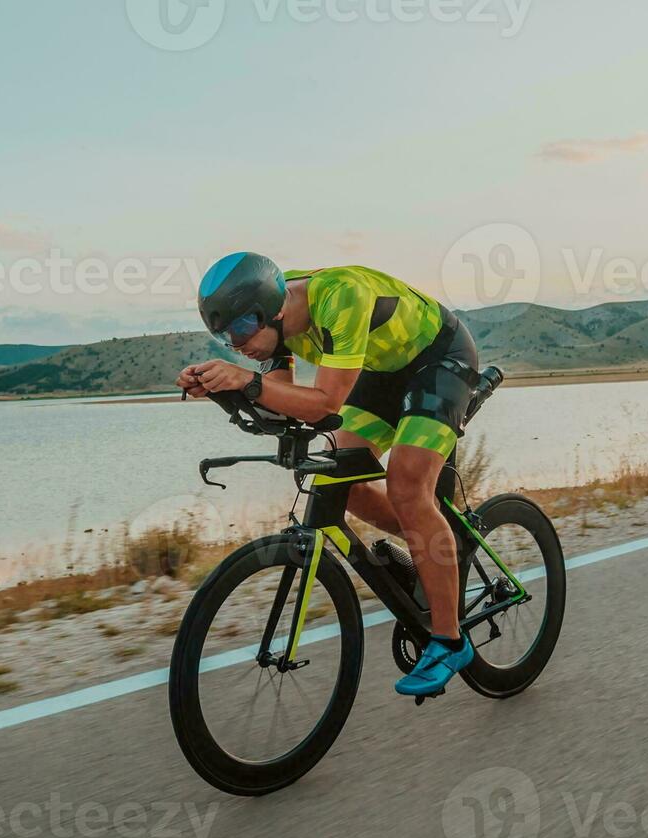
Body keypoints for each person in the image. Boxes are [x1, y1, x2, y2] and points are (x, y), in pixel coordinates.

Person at [177, 251, 483, 699]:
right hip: (379, 370)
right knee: (339, 477)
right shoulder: (272, 322)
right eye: (224, 336)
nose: (235, 343)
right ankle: (434, 548)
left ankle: (450, 641)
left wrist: (246, 380)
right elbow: (281, 401)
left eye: (240, 328)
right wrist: (221, 389)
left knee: (406, 484)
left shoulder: (341, 298)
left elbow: (323, 405)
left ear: (272, 311)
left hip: (439, 359)